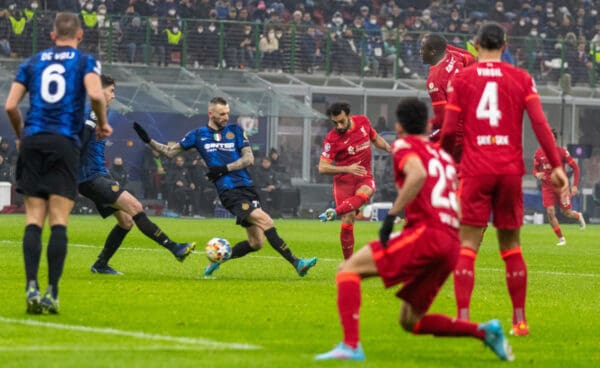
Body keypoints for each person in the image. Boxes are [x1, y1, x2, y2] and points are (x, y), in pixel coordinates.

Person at [315, 98, 514, 362]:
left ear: (398, 127)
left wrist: (392, 215)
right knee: (411, 320)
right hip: (450, 244)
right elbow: (458, 196)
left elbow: (418, 174)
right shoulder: (442, 155)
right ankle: (485, 332)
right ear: (427, 124)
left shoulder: (406, 146)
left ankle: (351, 346)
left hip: (427, 236)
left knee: (347, 271)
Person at [441, 22, 569, 337]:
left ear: (475, 44)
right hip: (510, 171)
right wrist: (556, 164)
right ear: (505, 44)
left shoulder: (462, 79)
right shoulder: (522, 78)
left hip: (475, 169)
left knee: (467, 244)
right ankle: (519, 321)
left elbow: (447, 132)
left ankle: (463, 318)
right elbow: (540, 123)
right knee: (511, 246)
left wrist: (442, 163)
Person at [133, 97, 317, 277]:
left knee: (256, 242)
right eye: (222, 114)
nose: (226, 117)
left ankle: (217, 261)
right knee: (267, 221)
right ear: (210, 113)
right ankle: (297, 263)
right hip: (230, 192)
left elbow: (249, 159)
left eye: (227, 113)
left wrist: (223, 169)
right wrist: (149, 141)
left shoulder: (235, 130)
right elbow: (170, 153)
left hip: (247, 187)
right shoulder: (197, 135)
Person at [4, 12, 112, 314]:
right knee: (59, 221)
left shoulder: (32, 62)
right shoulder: (85, 61)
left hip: (34, 140)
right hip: (64, 142)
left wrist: (22, 135)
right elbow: (94, 94)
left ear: (52, 36)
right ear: (79, 36)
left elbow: (11, 105)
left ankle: (31, 287)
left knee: (34, 219)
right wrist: (103, 123)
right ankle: (52, 291)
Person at [78, 75, 195, 275]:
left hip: (97, 176)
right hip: (92, 178)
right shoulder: (91, 114)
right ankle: (175, 248)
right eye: (111, 90)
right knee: (135, 207)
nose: (114, 96)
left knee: (126, 221)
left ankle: (100, 265)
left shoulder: (98, 113)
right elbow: (79, 143)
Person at [317, 102, 391, 260]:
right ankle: (349, 263)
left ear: (349, 115)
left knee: (367, 191)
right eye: (335, 122)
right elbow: (322, 168)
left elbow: (375, 138)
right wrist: (347, 168)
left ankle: (334, 212)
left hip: (364, 176)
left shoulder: (363, 122)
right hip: (344, 182)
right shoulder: (332, 139)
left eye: (341, 121)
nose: (338, 125)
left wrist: (390, 149)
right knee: (348, 217)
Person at [420, 33, 476, 145]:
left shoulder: (435, 80)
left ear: (432, 52)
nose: (420, 52)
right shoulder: (455, 55)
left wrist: (419, 126)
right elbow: (472, 59)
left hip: (458, 134)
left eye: (422, 48)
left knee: (420, 148)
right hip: (474, 123)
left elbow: (442, 120)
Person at [533, 129, 586, 246]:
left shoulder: (562, 152)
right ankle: (561, 239)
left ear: (555, 139)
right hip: (547, 188)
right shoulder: (538, 153)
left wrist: (575, 185)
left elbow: (576, 168)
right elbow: (535, 170)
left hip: (561, 187)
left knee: (566, 213)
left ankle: (578, 216)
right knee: (550, 212)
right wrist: (537, 174)